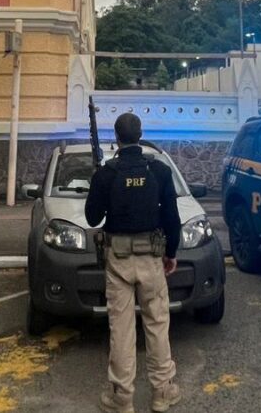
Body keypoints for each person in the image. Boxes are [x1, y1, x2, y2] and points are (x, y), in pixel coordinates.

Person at [85, 113, 182, 413]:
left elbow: (92, 218)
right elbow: (172, 219)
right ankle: (162, 392)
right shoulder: (159, 171)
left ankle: (122, 397)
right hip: (152, 257)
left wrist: (97, 181)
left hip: (118, 260)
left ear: (117, 137)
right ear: (140, 135)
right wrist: (172, 253)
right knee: (157, 324)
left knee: (122, 329)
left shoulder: (107, 173)